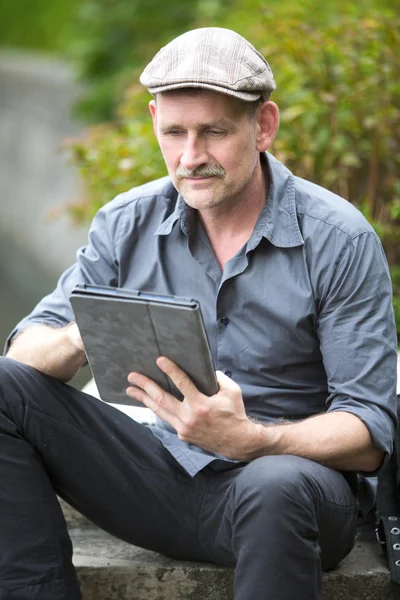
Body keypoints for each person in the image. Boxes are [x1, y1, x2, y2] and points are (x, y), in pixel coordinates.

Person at [0, 27, 397, 600]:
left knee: (275, 486)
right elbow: (24, 357)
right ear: (155, 121)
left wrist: (254, 439)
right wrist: (89, 329)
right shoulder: (126, 222)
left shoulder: (338, 238)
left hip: (288, 492)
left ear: (263, 126)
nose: (191, 157)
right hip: (159, 479)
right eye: (174, 132)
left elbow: (370, 435)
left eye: (213, 132)